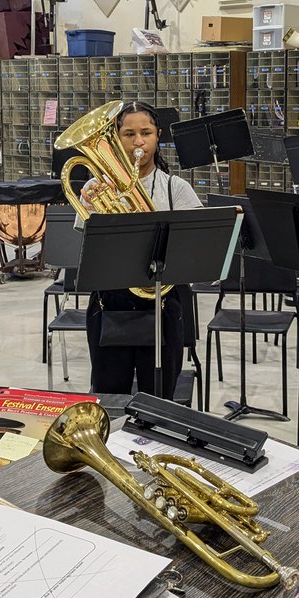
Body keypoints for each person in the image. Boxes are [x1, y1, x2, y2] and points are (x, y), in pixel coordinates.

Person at [79, 101, 202, 399]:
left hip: (163, 306)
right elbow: (88, 252)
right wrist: (90, 209)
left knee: (159, 400)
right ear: (116, 138)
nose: (138, 142)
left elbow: (196, 250)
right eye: (128, 133)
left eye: (145, 133)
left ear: (158, 136)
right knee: (109, 399)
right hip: (110, 305)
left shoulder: (176, 189)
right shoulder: (98, 188)